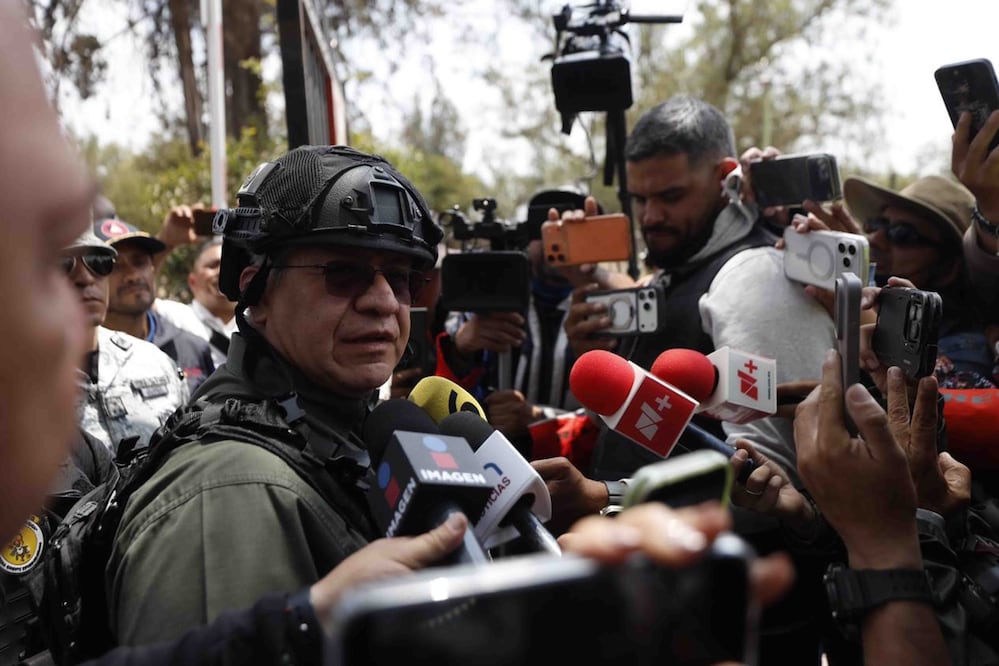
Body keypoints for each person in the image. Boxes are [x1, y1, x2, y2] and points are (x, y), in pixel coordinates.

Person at [105, 145, 454, 646]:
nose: (383, 302)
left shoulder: (343, 429)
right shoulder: (229, 494)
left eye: (399, 278)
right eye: (344, 273)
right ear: (258, 293)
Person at [842, 173, 995, 389]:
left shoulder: (967, 349)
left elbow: (929, 398)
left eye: (902, 234)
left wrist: (851, 308)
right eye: (876, 224)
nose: (874, 238)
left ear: (949, 268)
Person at [65, 228, 189, 455]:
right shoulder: (15, 384)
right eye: (63, 264)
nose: (86, 278)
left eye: (100, 262)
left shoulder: (155, 362)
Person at [95, 217, 216, 392]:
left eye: (139, 262)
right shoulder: (76, 357)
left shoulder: (191, 347)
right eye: (115, 266)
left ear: (152, 268)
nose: (133, 276)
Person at [155, 235, 238, 367]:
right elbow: (141, 299)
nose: (222, 272)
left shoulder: (258, 322)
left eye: (230, 265)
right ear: (192, 281)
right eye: (213, 265)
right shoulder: (175, 316)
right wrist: (167, 241)